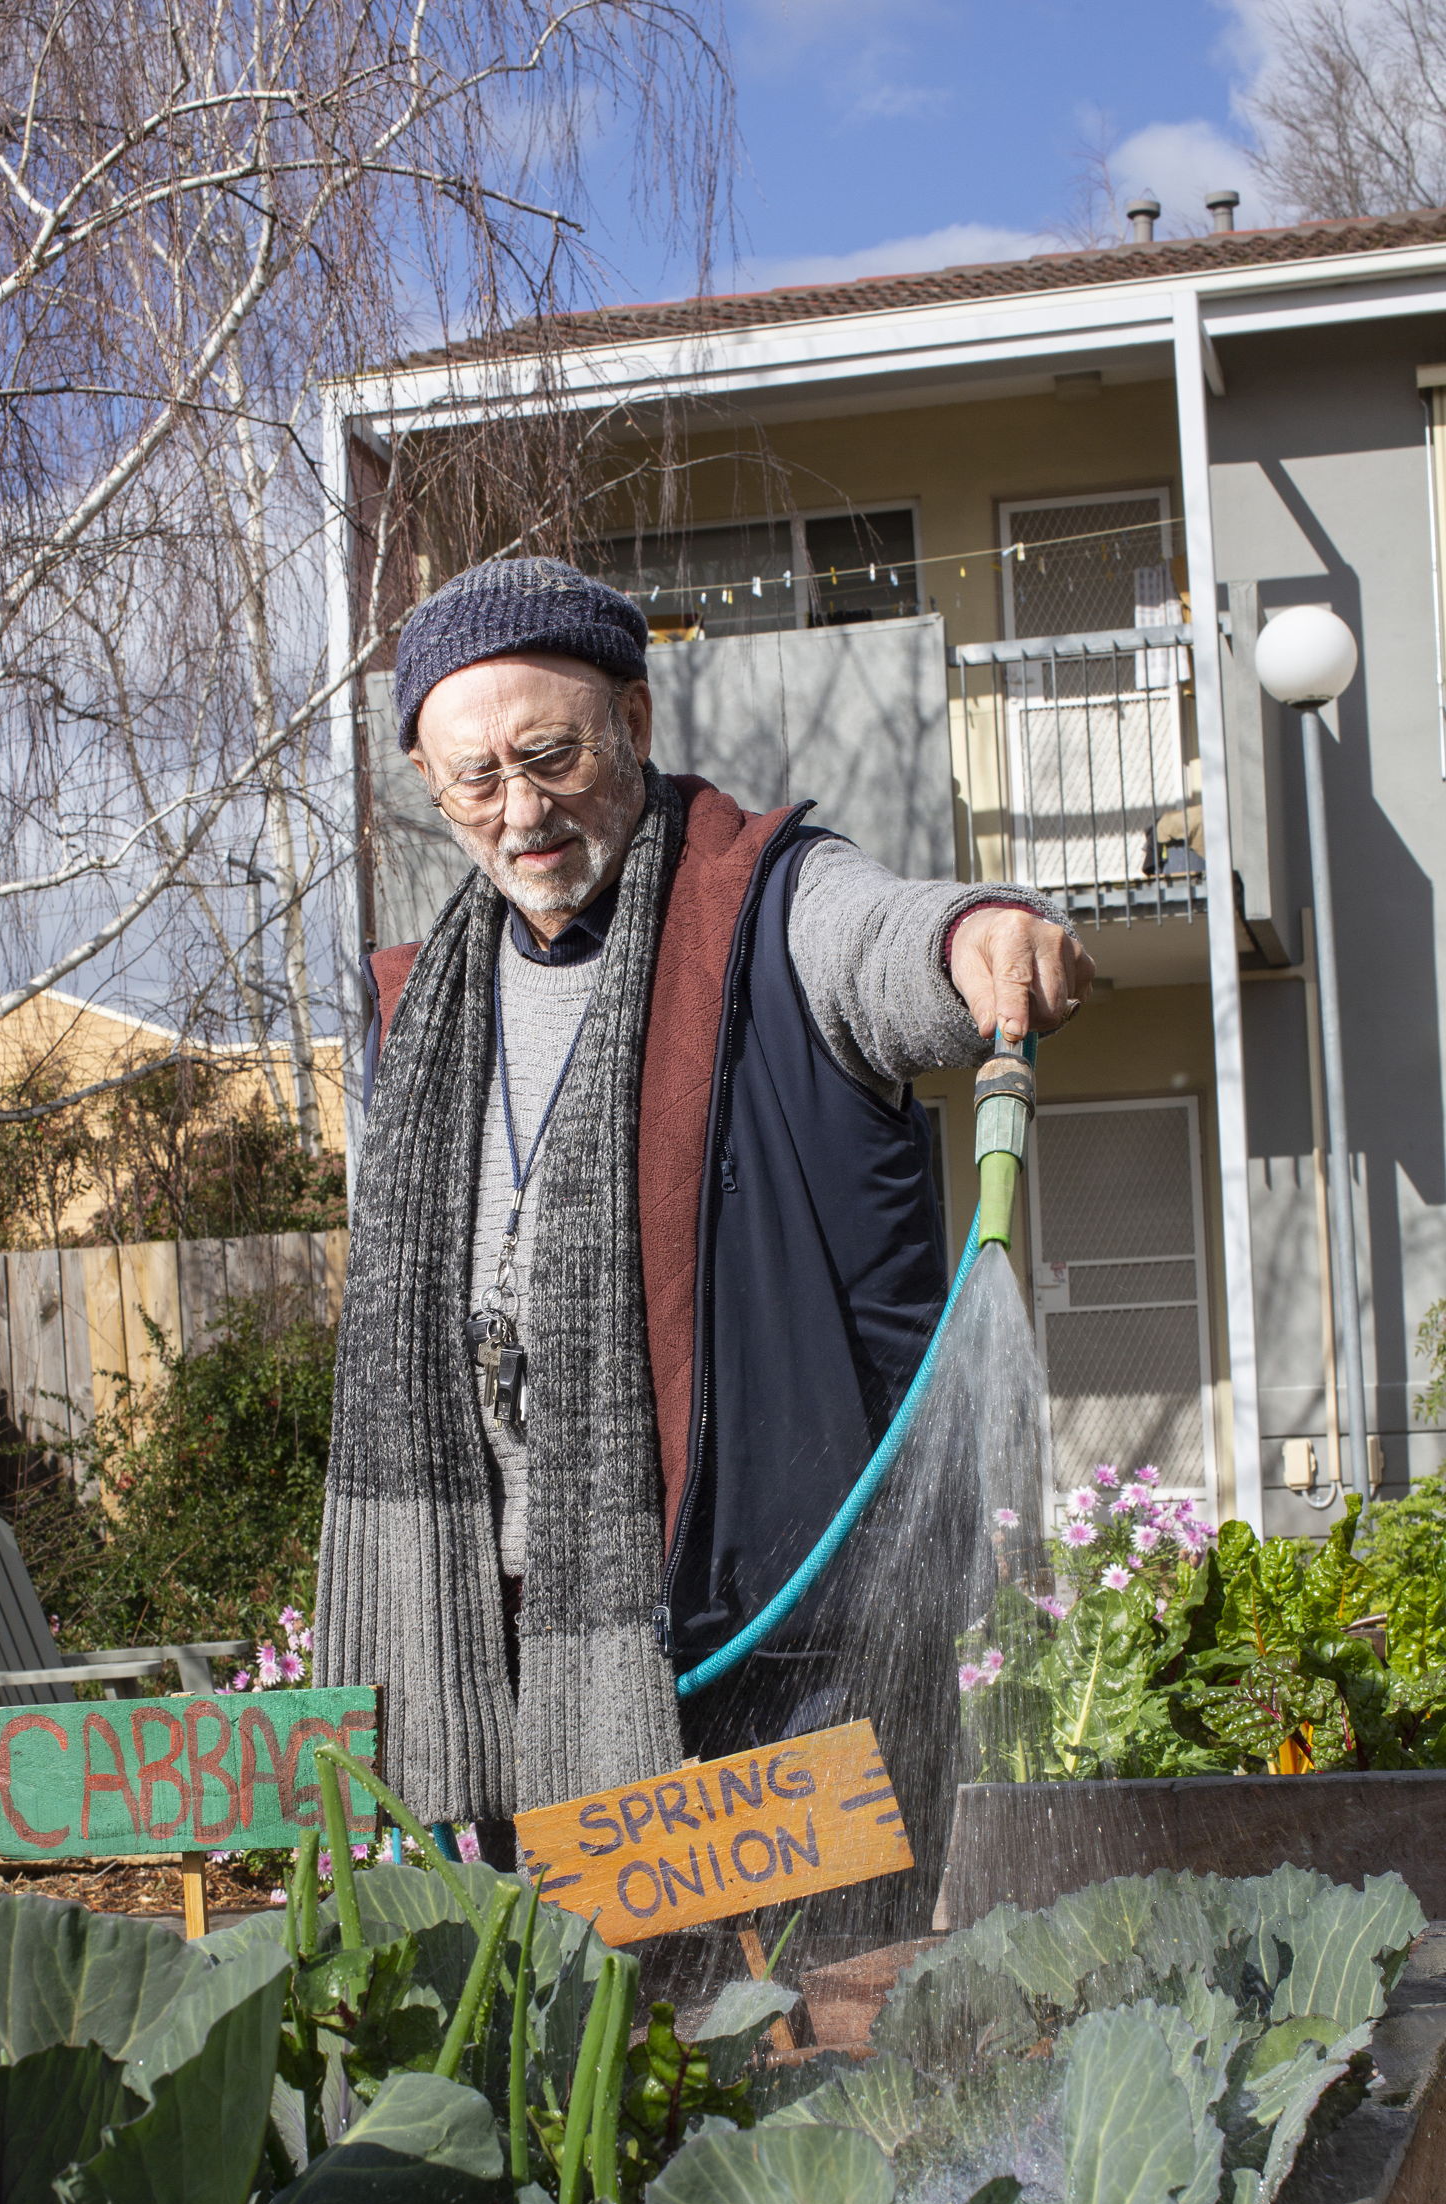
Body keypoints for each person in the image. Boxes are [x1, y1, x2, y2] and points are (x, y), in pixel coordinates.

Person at [317, 556, 1093, 1863]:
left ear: (636, 720)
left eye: (549, 754)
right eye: (475, 778)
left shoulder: (768, 902)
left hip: (782, 1651)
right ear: (428, 790)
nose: (520, 812)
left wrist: (974, 935)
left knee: (801, 2039)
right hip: (504, 1668)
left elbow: (884, 942)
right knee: (563, 2056)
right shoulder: (412, 1009)